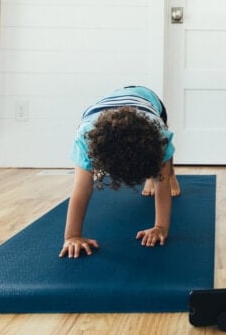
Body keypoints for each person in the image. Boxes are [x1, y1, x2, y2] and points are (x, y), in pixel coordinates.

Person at [59, 86, 180, 258]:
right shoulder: (86, 140)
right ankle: (149, 175)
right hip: (103, 110)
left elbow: (162, 183)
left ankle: (171, 174)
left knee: (163, 167)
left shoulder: (159, 135)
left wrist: (161, 227)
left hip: (148, 99)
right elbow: (82, 188)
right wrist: (72, 236)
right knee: (84, 179)